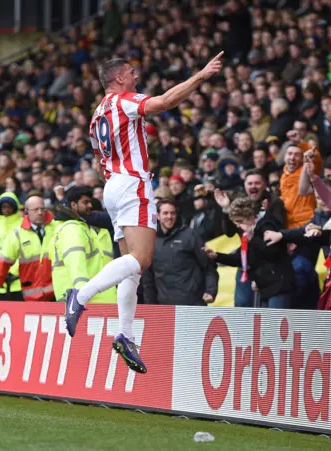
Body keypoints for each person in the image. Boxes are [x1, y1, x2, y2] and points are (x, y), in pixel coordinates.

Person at [64, 52, 224, 374]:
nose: (136, 77)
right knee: (142, 259)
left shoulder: (96, 115)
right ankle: (80, 295)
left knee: (132, 271)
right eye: (132, 73)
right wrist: (201, 76)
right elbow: (163, 102)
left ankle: (126, 334)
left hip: (112, 186)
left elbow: (100, 159)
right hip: (132, 183)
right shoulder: (122, 101)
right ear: (119, 77)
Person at [142, 199, 218, 306]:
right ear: (157, 216)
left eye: (173, 213)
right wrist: (150, 305)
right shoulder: (150, 240)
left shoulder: (190, 236)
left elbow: (209, 266)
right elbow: (148, 278)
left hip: (193, 303)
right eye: (165, 213)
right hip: (165, 305)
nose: (169, 216)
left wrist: (211, 291)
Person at [0, 195, 55, 302]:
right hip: (31, 297)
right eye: (35, 210)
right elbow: (1, 265)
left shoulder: (57, 228)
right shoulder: (17, 234)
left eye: (42, 209)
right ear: (26, 211)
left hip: (57, 295)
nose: (40, 212)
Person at [50, 187, 117, 304]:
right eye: (85, 202)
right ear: (73, 205)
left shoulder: (83, 227)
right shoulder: (72, 229)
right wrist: (82, 296)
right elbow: (76, 264)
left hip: (96, 299)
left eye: (90, 202)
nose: (90, 205)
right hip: (85, 300)